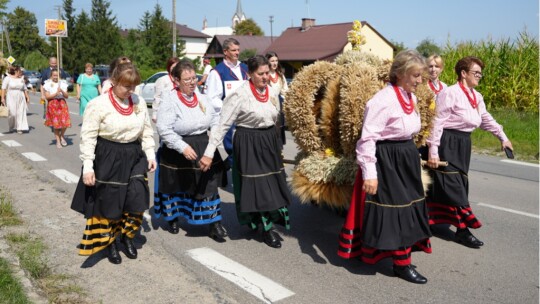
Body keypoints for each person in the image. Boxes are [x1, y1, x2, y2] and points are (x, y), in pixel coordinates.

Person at [338, 50, 432, 284]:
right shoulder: (382, 100)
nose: (420, 81)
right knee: (396, 211)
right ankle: (402, 264)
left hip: (405, 157)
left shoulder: (412, 98)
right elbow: (368, 138)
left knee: (409, 208)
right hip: (387, 160)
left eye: (421, 76)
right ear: (400, 74)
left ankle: (392, 255)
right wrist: (370, 173)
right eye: (416, 75)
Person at [200, 55, 292, 248]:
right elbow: (223, 124)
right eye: (260, 74)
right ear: (249, 74)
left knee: (272, 183)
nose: (265, 77)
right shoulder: (240, 94)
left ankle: (262, 220)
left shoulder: (273, 91)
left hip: (269, 140)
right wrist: (209, 153)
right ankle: (267, 228)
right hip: (248, 141)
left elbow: (276, 117)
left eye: (267, 73)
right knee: (258, 186)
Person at [71, 62, 156, 265]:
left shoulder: (138, 102)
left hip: (134, 155)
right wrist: (89, 167)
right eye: (126, 86)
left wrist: (150, 154)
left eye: (133, 86)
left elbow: (146, 130)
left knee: (136, 198)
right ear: (114, 81)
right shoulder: (99, 104)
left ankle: (127, 237)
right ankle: (109, 242)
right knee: (110, 203)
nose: (131, 91)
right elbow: (89, 136)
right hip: (108, 155)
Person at [426, 56, 513, 249]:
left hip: (463, 144)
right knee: (454, 187)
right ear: (463, 73)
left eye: (481, 73)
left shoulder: (476, 96)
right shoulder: (450, 93)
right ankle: (464, 230)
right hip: (447, 142)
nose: (479, 76)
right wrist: (433, 150)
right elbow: (437, 122)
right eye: (476, 73)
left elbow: (485, 118)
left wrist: (503, 137)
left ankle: (430, 222)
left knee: (459, 185)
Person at [154, 60, 227, 240]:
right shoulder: (169, 100)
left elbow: (216, 121)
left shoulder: (202, 98)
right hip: (178, 147)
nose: (193, 82)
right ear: (176, 81)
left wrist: (211, 148)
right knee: (178, 186)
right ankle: (172, 218)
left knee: (208, 185)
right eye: (187, 80)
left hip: (203, 144)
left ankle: (214, 223)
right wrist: (182, 147)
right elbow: (163, 129)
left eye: (195, 78)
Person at [205, 38, 248, 167]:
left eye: (238, 50)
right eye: (233, 50)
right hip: (229, 118)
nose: (237, 53)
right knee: (233, 151)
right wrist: (228, 107)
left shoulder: (245, 68)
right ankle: (232, 178)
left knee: (246, 151)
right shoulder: (217, 72)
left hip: (246, 115)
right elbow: (212, 98)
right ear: (225, 52)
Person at [43, 69, 71, 148]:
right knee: (56, 125)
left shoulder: (63, 83)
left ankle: (62, 135)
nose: (55, 77)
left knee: (65, 122)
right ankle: (58, 141)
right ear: (51, 75)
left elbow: (67, 96)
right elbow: (47, 96)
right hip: (53, 104)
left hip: (62, 103)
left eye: (57, 75)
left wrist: (61, 90)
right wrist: (56, 93)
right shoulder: (47, 84)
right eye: (54, 75)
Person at [265, 51, 288, 145]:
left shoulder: (280, 75)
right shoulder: (264, 75)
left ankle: (279, 149)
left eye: (276, 60)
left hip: (279, 103)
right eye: (272, 61)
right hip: (267, 103)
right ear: (267, 62)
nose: (275, 63)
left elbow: (285, 90)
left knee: (279, 127)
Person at [1, 65, 29, 134]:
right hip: (11, 96)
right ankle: (11, 126)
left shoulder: (21, 79)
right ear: (16, 71)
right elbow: (3, 88)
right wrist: (2, 98)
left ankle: (19, 128)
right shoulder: (8, 78)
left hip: (20, 96)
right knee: (12, 113)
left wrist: (27, 97)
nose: (21, 73)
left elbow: (24, 88)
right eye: (20, 71)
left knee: (20, 112)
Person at [152, 57, 180, 123]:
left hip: (178, 112)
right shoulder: (162, 80)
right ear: (169, 67)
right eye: (173, 67)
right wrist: (154, 113)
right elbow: (157, 97)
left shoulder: (180, 79)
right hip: (165, 112)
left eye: (177, 67)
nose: (175, 69)